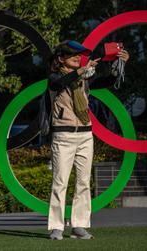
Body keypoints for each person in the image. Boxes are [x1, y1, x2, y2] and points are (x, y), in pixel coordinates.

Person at [47, 40, 129, 240]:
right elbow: (57, 84)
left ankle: (79, 225)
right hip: (63, 135)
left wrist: (119, 65)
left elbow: (106, 82)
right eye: (73, 55)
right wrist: (81, 71)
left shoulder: (83, 77)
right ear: (60, 58)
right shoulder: (55, 76)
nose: (78, 57)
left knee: (83, 182)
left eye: (79, 55)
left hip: (85, 134)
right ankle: (56, 227)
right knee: (60, 182)